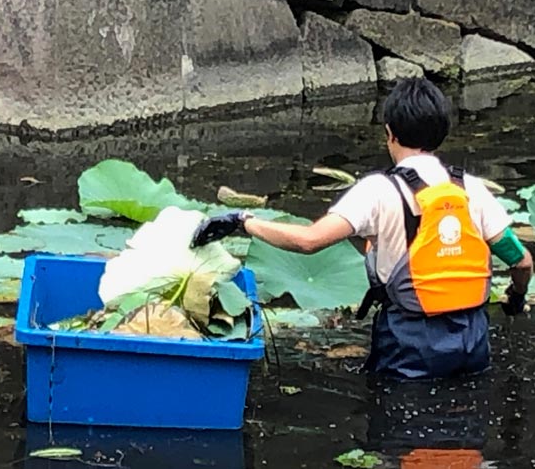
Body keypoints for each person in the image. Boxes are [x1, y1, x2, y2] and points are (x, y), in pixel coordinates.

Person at [192, 78, 533, 380]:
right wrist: (515, 297)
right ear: (442, 134)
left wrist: (243, 221)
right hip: (472, 342)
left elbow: (309, 241)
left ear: (390, 133)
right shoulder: (471, 188)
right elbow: (521, 262)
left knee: (395, 438)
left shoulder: (377, 191)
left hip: (410, 344)